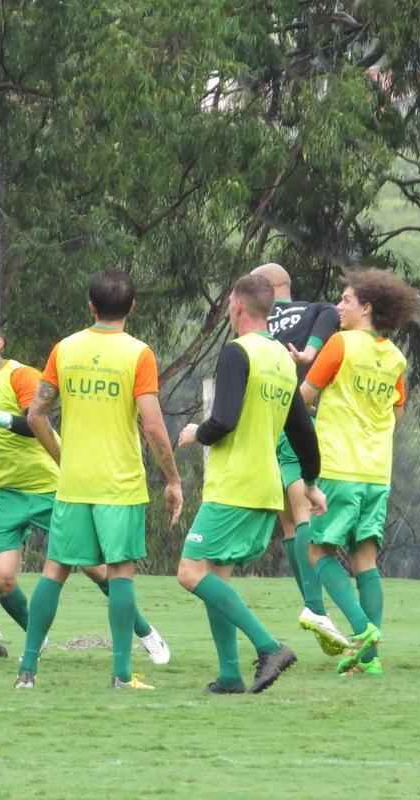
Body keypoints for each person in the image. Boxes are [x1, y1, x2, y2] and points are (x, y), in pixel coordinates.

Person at [0, 316, 170, 667]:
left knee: (94, 568)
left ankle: (146, 632)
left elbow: (36, 422)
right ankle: (36, 639)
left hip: (52, 484)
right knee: (2, 579)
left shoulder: (19, 376)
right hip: (8, 492)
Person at [12, 270, 182, 690]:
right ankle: (121, 675)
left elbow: (35, 415)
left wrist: (63, 456)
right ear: (132, 307)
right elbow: (153, 425)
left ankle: (27, 672)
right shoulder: (138, 354)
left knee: (55, 570)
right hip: (119, 483)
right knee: (120, 572)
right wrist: (173, 478)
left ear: (90, 306)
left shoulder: (65, 349)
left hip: (74, 482)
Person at [175, 274, 326, 694]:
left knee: (189, 573)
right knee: (215, 576)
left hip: (235, 485)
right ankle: (228, 675)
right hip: (266, 485)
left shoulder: (237, 352)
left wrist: (195, 434)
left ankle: (269, 646)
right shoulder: (281, 358)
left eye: (228, 305)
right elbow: (302, 431)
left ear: (238, 307)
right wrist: (310, 482)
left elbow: (223, 420)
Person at [301, 269, 420, 676]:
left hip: (338, 466)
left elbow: (305, 397)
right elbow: (397, 411)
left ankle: (362, 630)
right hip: (376, 472)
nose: (339, 306)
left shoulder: (339, 345)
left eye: (346, 300)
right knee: (365, 558)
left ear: (366, 308)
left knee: (317, 551)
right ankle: (369, 661)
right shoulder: (396, 357)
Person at [250, 262, 347, 654]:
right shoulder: (314, 309)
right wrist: (307, 352)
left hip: (259, 424)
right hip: (293, 417)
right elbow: (328, 319)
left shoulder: (253, 322)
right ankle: (316, 610)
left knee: (289, 523)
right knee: (303, 509)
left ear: (271, 287)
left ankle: (314, 607)